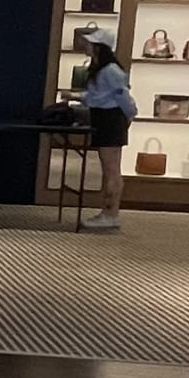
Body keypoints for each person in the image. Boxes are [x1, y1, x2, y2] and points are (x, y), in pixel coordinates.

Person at [73, 25, 137, 232]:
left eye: (91, 43)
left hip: (110, 119)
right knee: (110, 169)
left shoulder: (110, 70)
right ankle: (109, 213)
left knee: (111, 170)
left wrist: (130, 115)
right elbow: (98, 96)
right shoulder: (102, 69)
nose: (86, 46)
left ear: (100, 47)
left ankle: (110, 214)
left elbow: (123, 97)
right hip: (105, 118)